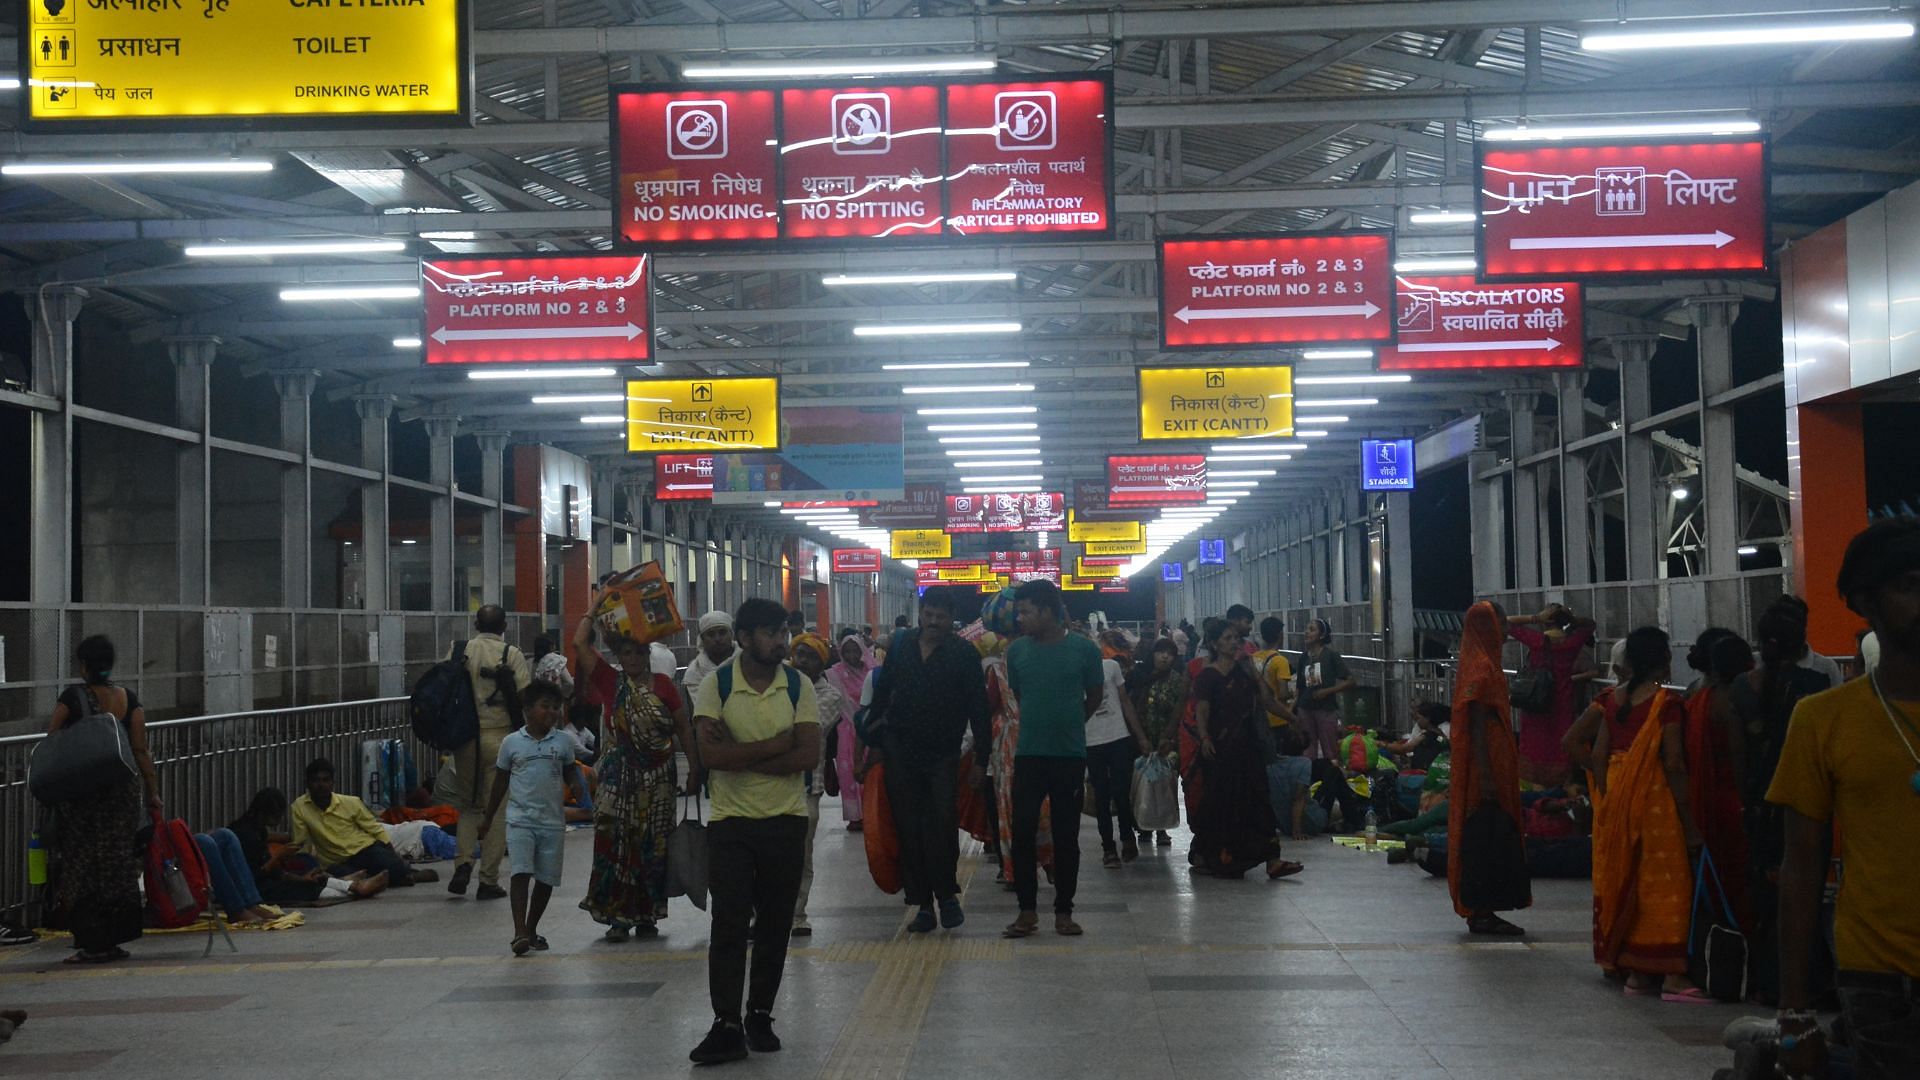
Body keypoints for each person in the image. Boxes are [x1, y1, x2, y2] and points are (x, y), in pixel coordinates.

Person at [1769, 519, 1920, 1080]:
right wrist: (1795, 1012)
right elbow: (1802, 867)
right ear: (1865, 602)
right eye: (1909, 585)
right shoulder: (1824, 719)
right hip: (1881, 981)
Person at [688, 598, 820, 1065]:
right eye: (769, 633)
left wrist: (747, 752)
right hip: (731, 823)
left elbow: (808, 757)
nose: (781, 642)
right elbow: (712, 758)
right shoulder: (715, 686)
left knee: (775, 924)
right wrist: (779, 745)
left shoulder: (798, 685)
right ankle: (726, 1023)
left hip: (786, 821)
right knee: (727, 924)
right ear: (744, 638)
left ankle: (759, 1015)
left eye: (782, 631)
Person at [1587, 627, 1703, 1000]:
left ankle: (1637, 973)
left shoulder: (1611, 701)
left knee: (1630, 883)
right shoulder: (1666, 705)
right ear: (1665, 661)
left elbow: (1596, 757)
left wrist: (1608, 803)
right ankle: (1671, 975)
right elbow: (1673, 762)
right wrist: (1689, 824)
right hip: (1657, 808)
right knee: (1668, 886)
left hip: (1619, 801)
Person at [866, 587, 992, 931]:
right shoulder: (901, 646)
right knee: (908, 827)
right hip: (899, 751)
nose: (934, 621)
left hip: (943, 754)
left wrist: (982, 758)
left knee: (941, 825)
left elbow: (978, 709)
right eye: (929, 614)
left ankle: (947, 896)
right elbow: (881, 695)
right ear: (920, 614)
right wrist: (874, 741)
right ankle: (922, 905)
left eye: (941, 616)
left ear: (952, 619)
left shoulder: (964, 654)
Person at [1730, 603, 1834, 1004]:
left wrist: (1747, 800)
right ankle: (1807, 982)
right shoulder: (1818, 682)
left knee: (1765, 894)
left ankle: (1766, 980)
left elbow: (1739, 754)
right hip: (1807, 802)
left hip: (1761, 804)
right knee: (1807, 890)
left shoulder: (1743, 686)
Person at [571, 614, 697, 942]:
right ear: (619, 657)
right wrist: (595, 606)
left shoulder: (665, 685)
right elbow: (579, 643)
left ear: (648, 656)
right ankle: (618, 915)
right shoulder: (612, 683)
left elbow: (683, 727)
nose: (634, 659)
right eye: (627, 654)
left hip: (658, 779)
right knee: (615, 842)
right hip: (619, 776)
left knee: (653, 846)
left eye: (640, 653)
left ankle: (647, 914)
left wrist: (697, 769)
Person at [44, 635, 160, 965]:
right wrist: (153, 793)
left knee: (82, 866)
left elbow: (52, 739)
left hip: (83, 797)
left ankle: (92, 942)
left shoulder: (73, 697)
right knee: (118, 863)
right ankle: (114, 938)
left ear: (83, 665)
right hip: (121, 796)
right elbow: (140, 749)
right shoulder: (128, 699)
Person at [1002, 578, 1103, 939]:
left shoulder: (1084, 650)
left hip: (1069, 756)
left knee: (1066, 836)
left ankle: (1064, 911)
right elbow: (1019, 693)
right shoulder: (1016, 653)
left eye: (1026, 611)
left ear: (1047, 611)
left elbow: (1094, 695)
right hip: (1028, 754)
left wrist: (1071, 723)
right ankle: (1026, 912)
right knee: (1023, 833)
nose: (1020, 619)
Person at [1190, 617, 1303, 880]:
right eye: (1227, 639)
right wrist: (1205, 737)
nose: (1233, 643)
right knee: (1223, 803)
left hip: (1248, 747)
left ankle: (1273, 860)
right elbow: (1202, 709)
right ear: (1215, 644)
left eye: (1235, 639)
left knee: (1260, 800)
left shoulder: (1246, 671)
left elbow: (1266, 700)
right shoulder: (1208, 675)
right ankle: (1220, 855)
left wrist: (1292, 717)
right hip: (1220, 749)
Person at [476, 680, 582, 956]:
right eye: (545, 706)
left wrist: (582, 792)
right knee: (521, 872)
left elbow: (571, 771)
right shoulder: (511, 744)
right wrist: (487, 820)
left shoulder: (563, 742)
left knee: (546, 879)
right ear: (527, 711)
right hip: (520, 820)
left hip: (553, 823)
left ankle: (532, 927)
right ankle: (519, 931)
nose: (552, 712)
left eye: (556, 707)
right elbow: (500, 782)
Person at [1447, 602, 1531, 937]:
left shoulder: (1480, 662)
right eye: (1503, 623)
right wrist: (1486, 775)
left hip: (1492, 757)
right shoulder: (1483, 668)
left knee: (1489, 828)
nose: (1508, 630)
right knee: (1488, 831)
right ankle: (1483, 908)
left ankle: (1485, 907)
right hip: (1488, 761)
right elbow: (1479, 724)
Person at [441, 605, 531, 902]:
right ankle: (488, 880)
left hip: (465, 738)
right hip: (501, 738)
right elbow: (524, 697)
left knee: (469, 806)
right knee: (498, 808)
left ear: (476, 624)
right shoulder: (512, 654)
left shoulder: (458, 650)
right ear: (504, 625)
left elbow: (445, 686)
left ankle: (463, 863)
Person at [1684, 632, 1754, 926]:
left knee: (1717, 869)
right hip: (1736, 797)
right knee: (1741, 873)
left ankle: (1722, 924)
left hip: (1705, 793)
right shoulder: (1739, 702)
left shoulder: (1697, 700)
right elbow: (1741, 754)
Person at [225, 788, 384, 906]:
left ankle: (347, 884)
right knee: (305, 889)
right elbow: (256, 875)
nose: (279, 820)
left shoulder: (255, 829)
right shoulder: (247, 837)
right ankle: (351, 887)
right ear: (264, 813)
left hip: (268, 879)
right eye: (276, 815)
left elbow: (275, 862)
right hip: (256, 887)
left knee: (308, 873)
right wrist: (280, 856)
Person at [787, 632, 846, 937]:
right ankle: (763, 913)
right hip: (773, 783)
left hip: (809, 785)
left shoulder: (830, 696)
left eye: (811, 657)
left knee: (802, 852)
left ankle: (797, 913)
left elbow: (808, 729)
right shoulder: (777, 685)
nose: (804, 662)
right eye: (800, 655)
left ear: (821, 662)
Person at [291, 759, 433, 886]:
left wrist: (393, 856)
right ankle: (392, 877)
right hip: (337, 862)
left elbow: (375, 830)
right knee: (341, 878)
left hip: (366, 850)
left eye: (325, 780)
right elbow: (301, 842)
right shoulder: (299, 807)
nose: (320, 785)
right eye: (315, 781)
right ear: (307, 784)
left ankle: (404, 873)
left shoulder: (351, 802)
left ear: (332, 783)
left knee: (390, 868)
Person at [1506, 603, 1598, 787]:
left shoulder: (1536, 641)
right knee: (1559, 744)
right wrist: (1571, 619)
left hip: (1535, 702)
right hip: (1562, 703)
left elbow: (1505, 622)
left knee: (1535, 745)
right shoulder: (1572, 642)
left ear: (1544, 623)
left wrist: (1535, 617)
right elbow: (1590, 624)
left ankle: (1535, 789)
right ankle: (1561, 787)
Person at [1081, 639, 1153, 869]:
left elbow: (1125, 702)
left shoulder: (1111, 667)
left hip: (1118, 737)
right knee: (1101, 796)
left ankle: (1127, 837)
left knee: (1122, 792)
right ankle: (1108, 848)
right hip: (1091, 742)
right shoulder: (1073, 674)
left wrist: (1140, 736)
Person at [1127, 637, 1186, 848]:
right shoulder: (1138, 676)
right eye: (1160, 652)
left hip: (1167, 742)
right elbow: (1130, 706)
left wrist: (1169, 738)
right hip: (1140, 739)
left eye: (1170, 653)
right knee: (1141, 783)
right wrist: (1140, 737)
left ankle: (1161, 828)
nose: (1165, 656)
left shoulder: (1177, 681)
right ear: (1151, 654)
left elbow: (1180, 711)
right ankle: (1142, 825)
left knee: (1165, 785)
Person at [825, 630, 875, 832]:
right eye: (847, 652)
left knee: (870, 772)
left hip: (869, 730)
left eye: (856, 651)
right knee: (847, 774)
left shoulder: (872, 672)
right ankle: (855, 816)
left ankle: (871, 813)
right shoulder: (834, 673)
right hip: (846, 731)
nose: (852, 656)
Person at [1294, 618, 1355, 760]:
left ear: (1321, 635)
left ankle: (1331, 778)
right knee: (1308, 750)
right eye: (1307, 629)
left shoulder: (1331, 656)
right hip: (1305, 708)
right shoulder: (1304, 658)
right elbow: (1299, 687)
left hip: (1325, 709)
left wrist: (1327, 691)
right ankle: (1312, 777)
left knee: (1330, 750)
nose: (1307, 632)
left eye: (1312, 629)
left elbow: (1350, 681)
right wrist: (1294, 710)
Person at [1251, 616, 1295, 755]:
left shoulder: (1254, 657)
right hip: (1278, 719)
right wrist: (1294, 694)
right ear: (1280, 635)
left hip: (1259, 717)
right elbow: (1282, 694)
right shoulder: (1280, 661)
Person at [682, 610, 738, 700]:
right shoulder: (695, 672)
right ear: (702, 639)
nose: (717, 638)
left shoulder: (747, 661)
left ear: (731, 634)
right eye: (711, 634)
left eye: (722, 632)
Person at [531, 634, 574, 698]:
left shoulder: (529, 663)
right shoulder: (557, 661)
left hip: (535, 701)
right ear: (551, 646)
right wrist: (560, 694)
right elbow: (570, 683)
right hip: (554, 701)